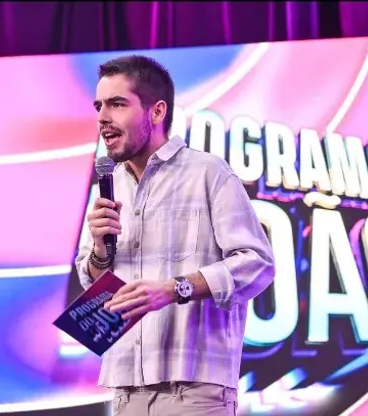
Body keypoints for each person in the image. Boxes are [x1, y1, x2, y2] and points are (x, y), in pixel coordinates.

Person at [75, 55, 276, 416]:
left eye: (117, 104)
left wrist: (174, 289)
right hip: (126, 389)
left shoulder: (207, 173)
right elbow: (96, 282)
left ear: (156, 112)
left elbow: (257, 264)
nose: (103, 117)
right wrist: (100, 253)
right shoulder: (110, 185)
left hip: (195, 389)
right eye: (98, 106)